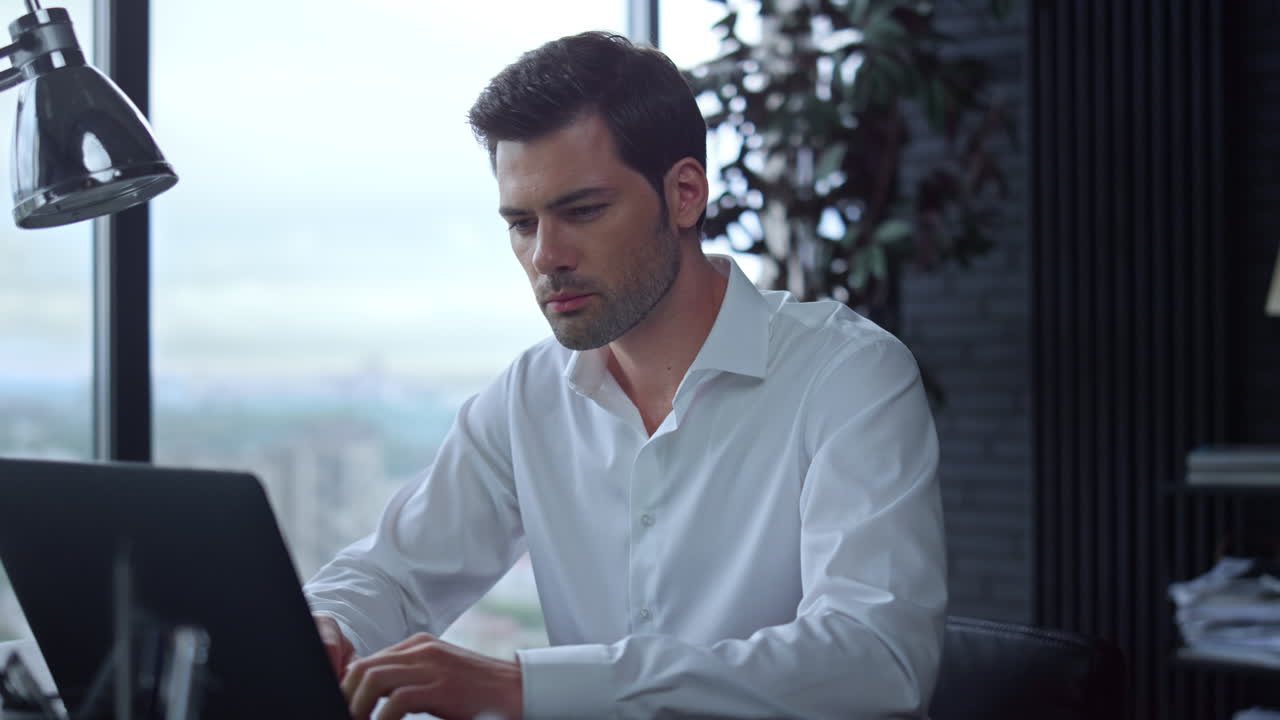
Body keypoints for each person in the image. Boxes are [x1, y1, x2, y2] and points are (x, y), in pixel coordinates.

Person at [304, 30, 946, 720]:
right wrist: (326, 627)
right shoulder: (528, 398)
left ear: (685, 193)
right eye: (522, 223)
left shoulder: (847, 377)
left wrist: (528, 687)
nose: (547, 255)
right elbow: (390, 575)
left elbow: (874, 659)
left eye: (582, 211)